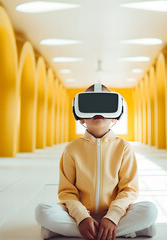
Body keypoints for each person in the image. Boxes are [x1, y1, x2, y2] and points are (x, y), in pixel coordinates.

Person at [35, 83, 157, 240]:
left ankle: (70, 231)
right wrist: (81, 217)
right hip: (77, 215)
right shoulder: (72, 148)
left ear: (115, 115)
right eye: (90, 104)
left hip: (115, 215)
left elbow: (129, 190)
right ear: (80, 117)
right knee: (42, 210)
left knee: (149, 210)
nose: (98, 111)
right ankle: (121, 231)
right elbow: (67, 192)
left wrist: (112, 216)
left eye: (104, 104)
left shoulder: (124, 148)